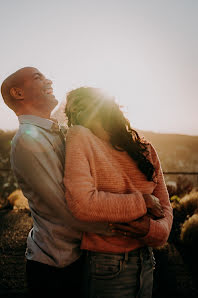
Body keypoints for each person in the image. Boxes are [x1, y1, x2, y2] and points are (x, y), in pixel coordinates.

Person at [1, 67, 161, 297]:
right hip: (56, 266)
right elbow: (67, 208)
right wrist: (128, 228)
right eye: (38, 77)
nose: (49, 80)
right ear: (18, 93)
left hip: (80, 258)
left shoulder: (59, 131)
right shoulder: (27, 141)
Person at [64, 87, 173, 298]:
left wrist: (152, 230)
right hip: (107, 264)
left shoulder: (145, 148)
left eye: (82, 101)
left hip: (147, 259)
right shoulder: (79, 136)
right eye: (71, 108)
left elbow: (165, 207)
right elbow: (82, 204)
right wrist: (143, 202)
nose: (76, 109)